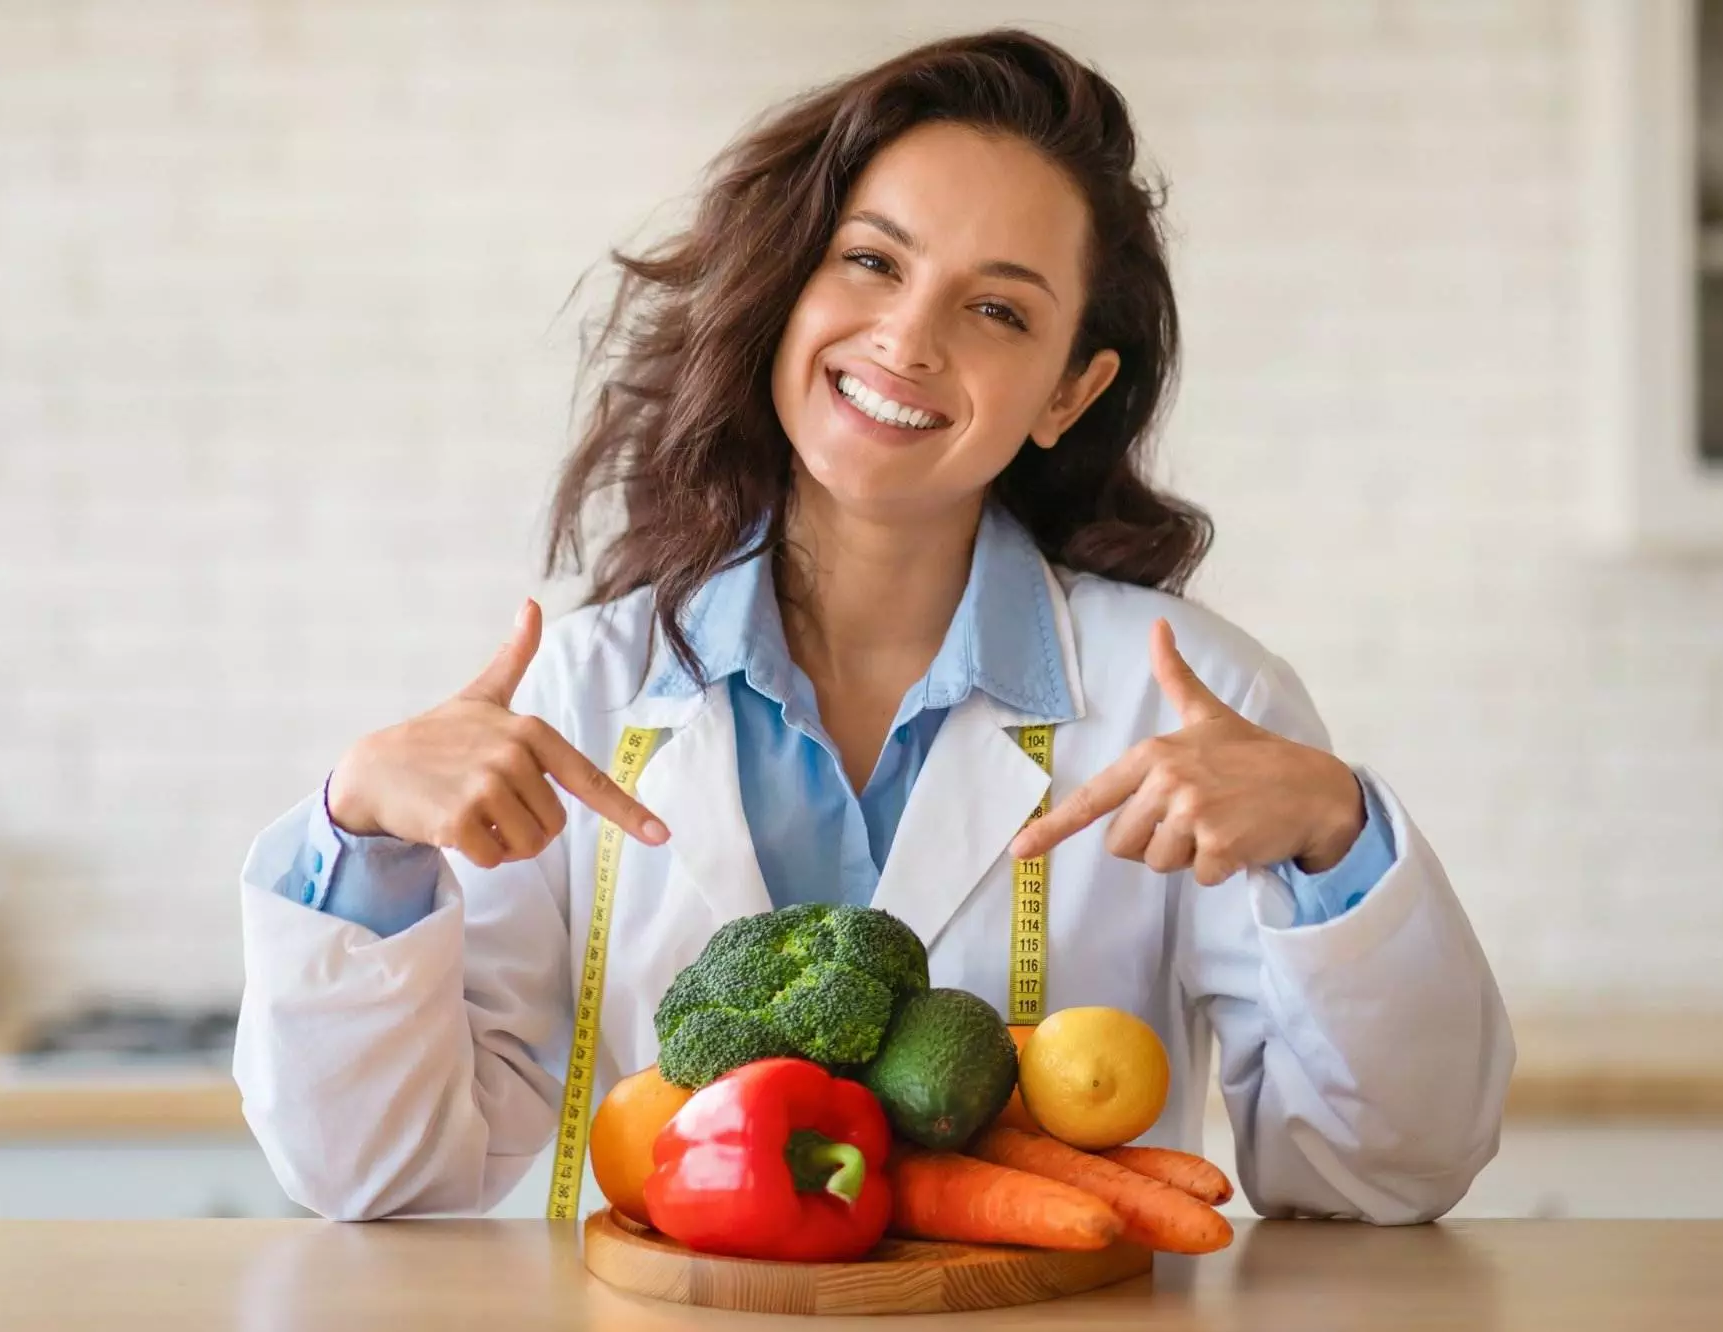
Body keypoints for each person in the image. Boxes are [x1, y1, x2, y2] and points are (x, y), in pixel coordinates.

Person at [234, 29, 1512, 1225]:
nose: (905, 338)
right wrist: (359, 830)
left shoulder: (1182, 703)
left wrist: (1334, 837)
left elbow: (1381, 1172)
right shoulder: (584, 697)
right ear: (789, 291)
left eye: (997, 309)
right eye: (871, 261)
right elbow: (380, 1173)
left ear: (1070, 389)